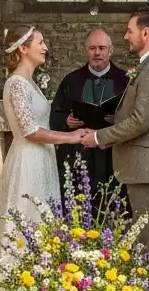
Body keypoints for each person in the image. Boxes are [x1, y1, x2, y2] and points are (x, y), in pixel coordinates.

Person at [0, 25, 88, 291]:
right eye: (40, 42)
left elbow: (39, 120)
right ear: (23, 48)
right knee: (25, 223)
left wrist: (69, 125)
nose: (45, 46)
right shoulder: (15, 84)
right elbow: (28, 130)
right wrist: (70, 138)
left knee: (41, 225)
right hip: (28, 161)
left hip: (41, 160)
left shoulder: (30, 82)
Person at [80, 8, 149, 291]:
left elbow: (141, 121)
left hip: (146, 163)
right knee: (143, 235)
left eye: (130, 30)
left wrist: (99, 137)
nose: (125, 36)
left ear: (146, 33)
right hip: (140, 163)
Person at [50, 29, 129, 200]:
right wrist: (66, 120)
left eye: (102, 48)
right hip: (81, 151)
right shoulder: (71, 80)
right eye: (92, 48)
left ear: (110, 51)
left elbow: (136, 117)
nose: (97, 53)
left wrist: (119, 119)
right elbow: (55, 113)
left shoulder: (125, 80)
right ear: (87, 51)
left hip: (112, 152)